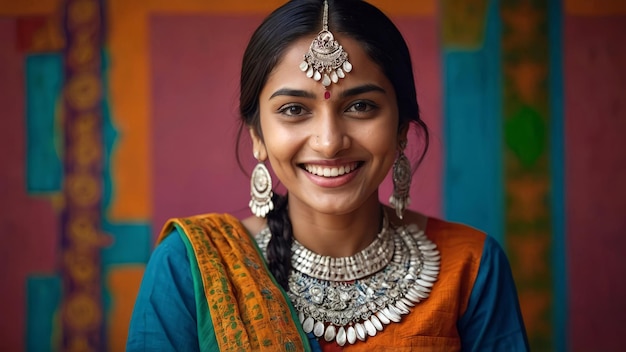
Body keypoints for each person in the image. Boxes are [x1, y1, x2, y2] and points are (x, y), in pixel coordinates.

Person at [126, 0, 529, 350]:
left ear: (402, 128)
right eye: (294, 110)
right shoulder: (190, 267)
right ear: (257, 135)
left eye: (361, 107)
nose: (329, 142)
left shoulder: (471, 266)